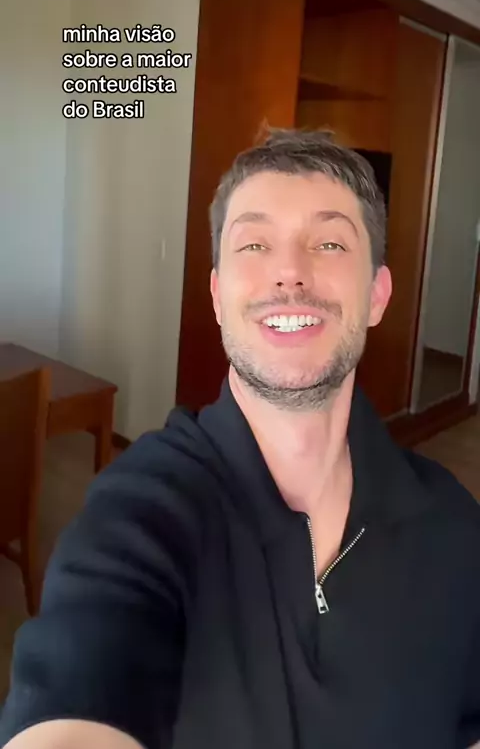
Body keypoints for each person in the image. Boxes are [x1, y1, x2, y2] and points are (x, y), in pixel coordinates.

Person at [1, 128, 479, 749]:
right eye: (254, 243)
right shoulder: (143, 516)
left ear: (376, 296)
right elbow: (79, 687)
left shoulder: (454, 527)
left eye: (330, 242)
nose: (290, 272)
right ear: (217, 296)